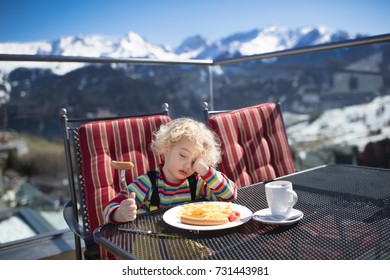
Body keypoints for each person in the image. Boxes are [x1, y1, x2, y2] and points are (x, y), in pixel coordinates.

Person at [103, 117, 238, 223]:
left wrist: (204, 170)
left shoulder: (197, 183)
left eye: (194, 162)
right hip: (152, 244)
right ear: (166, 149)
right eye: (182, 155)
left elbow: (229, 196)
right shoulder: (148, 183)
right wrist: (120, 214)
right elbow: (109, 209)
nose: (187, 165)